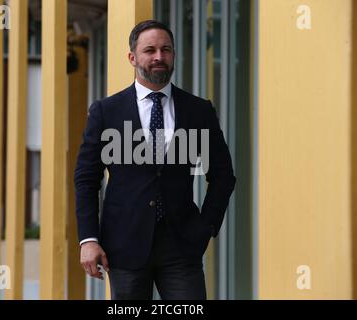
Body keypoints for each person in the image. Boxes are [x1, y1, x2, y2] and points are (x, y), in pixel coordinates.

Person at [74, 20, 236, 300]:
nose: (159, 56)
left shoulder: (199, 110)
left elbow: (223, 176)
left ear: (173, 55)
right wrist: (89, 239)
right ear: (133, 57)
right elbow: (87, 179)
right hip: (123, 246)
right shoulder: (106, 111)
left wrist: (206, 226)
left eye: (166, 49)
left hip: (182, 246)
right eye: (150, 50)